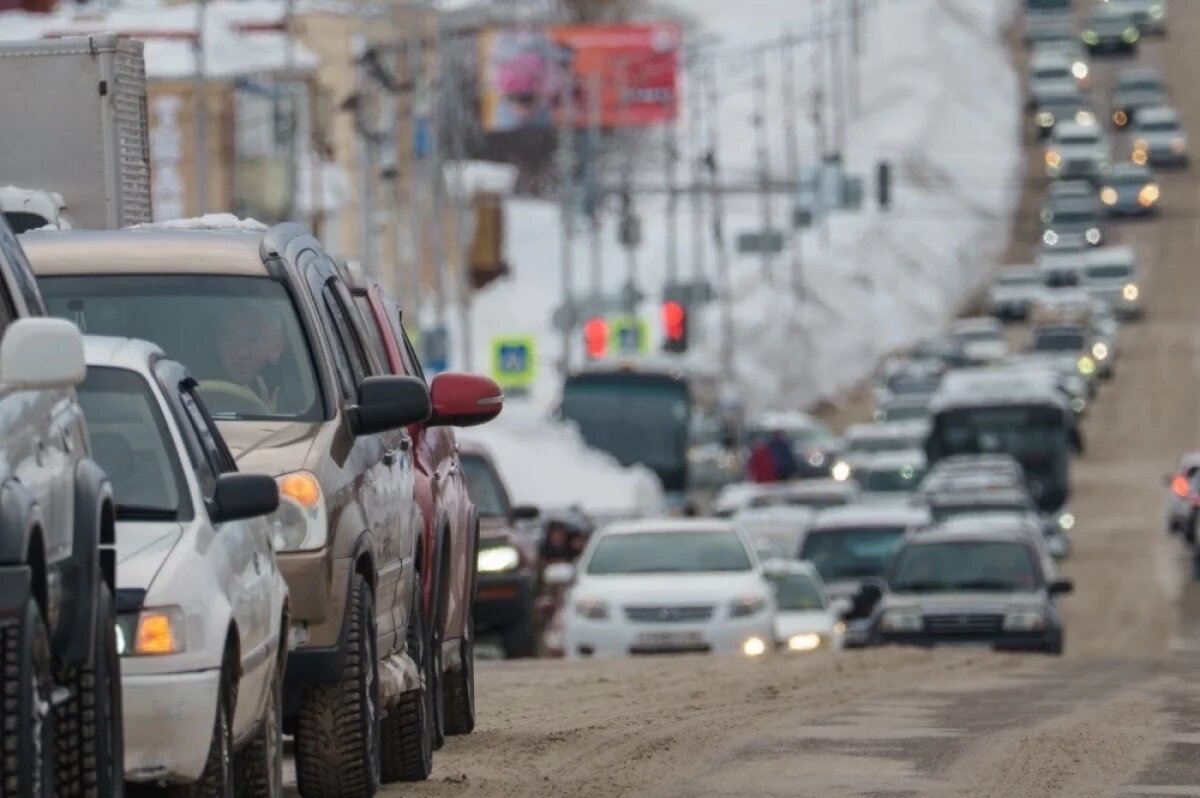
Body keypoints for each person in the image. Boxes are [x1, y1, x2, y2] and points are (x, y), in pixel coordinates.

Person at [214, 303, 283, 410]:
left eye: (254, 339)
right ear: (217, 344)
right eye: (230, 338)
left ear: (277, 347)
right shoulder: (189, 394)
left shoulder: (299, 398)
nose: (243, 352)